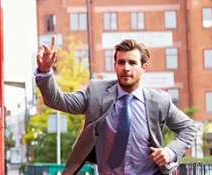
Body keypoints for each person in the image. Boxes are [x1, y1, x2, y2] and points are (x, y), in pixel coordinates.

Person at [34, 37, 196, 175]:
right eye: (121, 62)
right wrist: (45, 71)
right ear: (115, 66)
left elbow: (189, 128)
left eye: (132, 63)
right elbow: (57, 100)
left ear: (143, 68)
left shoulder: (159, 101)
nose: (126, 68)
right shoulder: (97, 93)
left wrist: (170, 152)